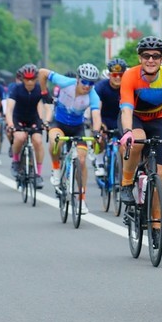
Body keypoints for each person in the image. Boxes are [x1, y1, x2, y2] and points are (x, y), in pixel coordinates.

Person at [118, 36, 162, 206]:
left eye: (155, 56)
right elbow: (126, 108)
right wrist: (127, 132)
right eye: (146, 56)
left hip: (157, 121)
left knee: (159, 175)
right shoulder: (130, 75)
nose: (151, 60)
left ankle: (156, 226)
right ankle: (126, 183)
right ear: (139, 58)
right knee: (137, 141)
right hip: (134, 118)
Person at [40, 63, 103, 214]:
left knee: (81, 160)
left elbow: (96, 116)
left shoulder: (93, 96)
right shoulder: (65, 82)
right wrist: (44, 92)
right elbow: (42, 72)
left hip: (77, 128)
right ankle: (56, 170)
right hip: (59, 123)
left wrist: (96, 132)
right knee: (57, 140)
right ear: (77, 79)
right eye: (84, 81)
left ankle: (81, 200)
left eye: (91, 83)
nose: (87, 86)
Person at [4, 63, 48, 187]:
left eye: (33, 79)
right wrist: (11, 124)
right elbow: (9, 109)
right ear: (22, 79)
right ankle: (16, 161)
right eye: (27, 79)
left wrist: (45, 121)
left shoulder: (40, 89)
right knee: (20, 137)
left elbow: (46, 106)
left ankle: (38, 174)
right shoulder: (16, 89)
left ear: (36, 79)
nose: (30, 82)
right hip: (18, 118)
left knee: (38, 141)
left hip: (33, 118)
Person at [93, 57, 127, 178]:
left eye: (120, 74)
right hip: (104, 118)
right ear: (109, 74)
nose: (117, 77)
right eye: (114, 74)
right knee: (99, 137)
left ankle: (123, 171)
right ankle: (99, 163)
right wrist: (100, 125)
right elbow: (96, 109)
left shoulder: (127, 86)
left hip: (121, 120)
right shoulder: (101, 87)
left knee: (126, 146)